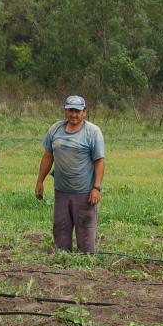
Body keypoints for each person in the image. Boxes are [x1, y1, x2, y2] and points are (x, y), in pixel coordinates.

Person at [34, 95, 105, 253]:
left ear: (84, 112)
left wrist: (96, 188)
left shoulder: (93, 132)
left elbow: (99, 161)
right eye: (70, 110)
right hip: (61, 192)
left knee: (85, 234)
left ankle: (85, 266)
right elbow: (48, 156)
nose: (74, 114)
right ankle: (63, 262)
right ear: (66, 111)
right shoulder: (55, 129)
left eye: (77, 111)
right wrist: (40, 181)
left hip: (84, 193)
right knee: (60, 229)